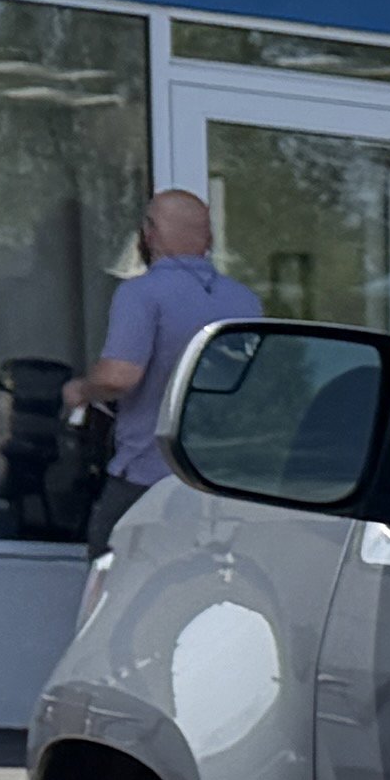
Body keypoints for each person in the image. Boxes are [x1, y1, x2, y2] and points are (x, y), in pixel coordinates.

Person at [76, 188, 256, 558]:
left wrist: (80, 390)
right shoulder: (246, 301)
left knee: (108, 576)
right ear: (208, 238)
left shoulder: (141, 294)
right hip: (220, 480)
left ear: (150, 233)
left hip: (149, 474)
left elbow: (119, 377)